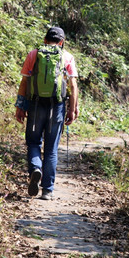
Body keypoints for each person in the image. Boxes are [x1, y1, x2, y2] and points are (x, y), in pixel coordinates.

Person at [14, 27, 79, 200]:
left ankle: (36, 168)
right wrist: (72, 109)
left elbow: (24, 83)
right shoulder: (67, 57)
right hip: (56, 107)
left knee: (33, 142)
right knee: (51, 150)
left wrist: (20, 107)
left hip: (35, 105)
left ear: (45, 39)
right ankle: (47, 190)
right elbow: (73, 86)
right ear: (62, 42)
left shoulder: (33, 54)